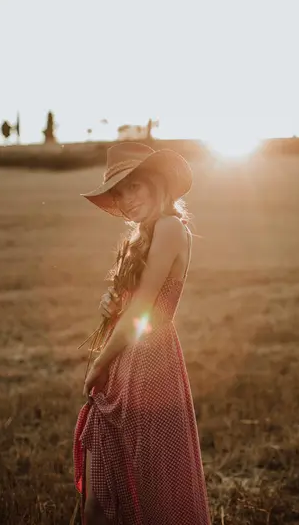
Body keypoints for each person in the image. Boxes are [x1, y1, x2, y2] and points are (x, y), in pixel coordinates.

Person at [72, 141, 212, 525]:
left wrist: (99, 363)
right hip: (126, 357)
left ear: (157, 183)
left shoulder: (169, 227)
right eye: (119, 192)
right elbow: (129, 305)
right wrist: (110, 304)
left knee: (149, 481)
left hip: (150, 364)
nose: (126, 199)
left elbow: (145, 309)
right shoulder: (142, 236)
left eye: (133, 186)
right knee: (103, 488)